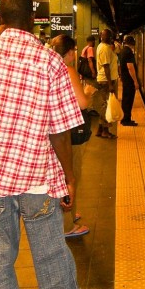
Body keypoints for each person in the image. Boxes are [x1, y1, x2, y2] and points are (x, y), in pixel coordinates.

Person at [0, 0, 83, 289]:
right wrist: (69, 177)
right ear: (32, 20)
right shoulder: (50, 60)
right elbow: (60, 131)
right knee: (52, 260)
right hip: (38, 180)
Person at [50, 34, 91, 238]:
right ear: (68, 53)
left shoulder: (47, 67)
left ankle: (71, 213)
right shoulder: (68, 70)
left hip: (53, 133)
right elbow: (82, 103)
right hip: (70, 133)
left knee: (61, 175)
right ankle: (67, 225)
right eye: (74, 50)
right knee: (71, 177)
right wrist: (89, 93)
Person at [95, 28, 118, 139]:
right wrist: (110, 84)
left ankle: (100, 130)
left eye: (109, 36)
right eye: (106, 36)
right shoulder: (104, 48)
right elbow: (106, 66)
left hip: (104, 80)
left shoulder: (103, 47)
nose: (109, 38)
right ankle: (105, 130)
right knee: (107, 105)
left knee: (105, 104)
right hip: (105, 80)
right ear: (102, 36)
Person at [120, 35, 139, 126]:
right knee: (128, 99)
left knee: (126, 99)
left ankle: (125, 118)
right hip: (129, 80)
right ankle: (126, 120)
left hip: (125, 78)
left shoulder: (123, 51)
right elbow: (130, 67)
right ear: (132, 43)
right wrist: (135, 81)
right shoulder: (128, 52)